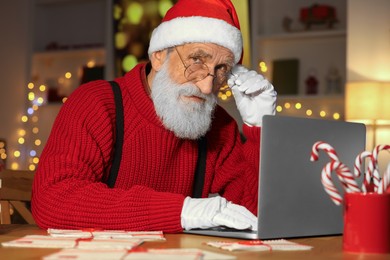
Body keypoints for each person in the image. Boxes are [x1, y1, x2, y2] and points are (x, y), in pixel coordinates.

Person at [31, 0, 277, 233]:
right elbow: (53, 199)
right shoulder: (96, 104)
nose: (206, 87)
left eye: (221, 69)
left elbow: (254, 219)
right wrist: (182, 212)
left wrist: (260, 131)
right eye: (196, 60)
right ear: (159, 55)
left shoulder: (221, 128)